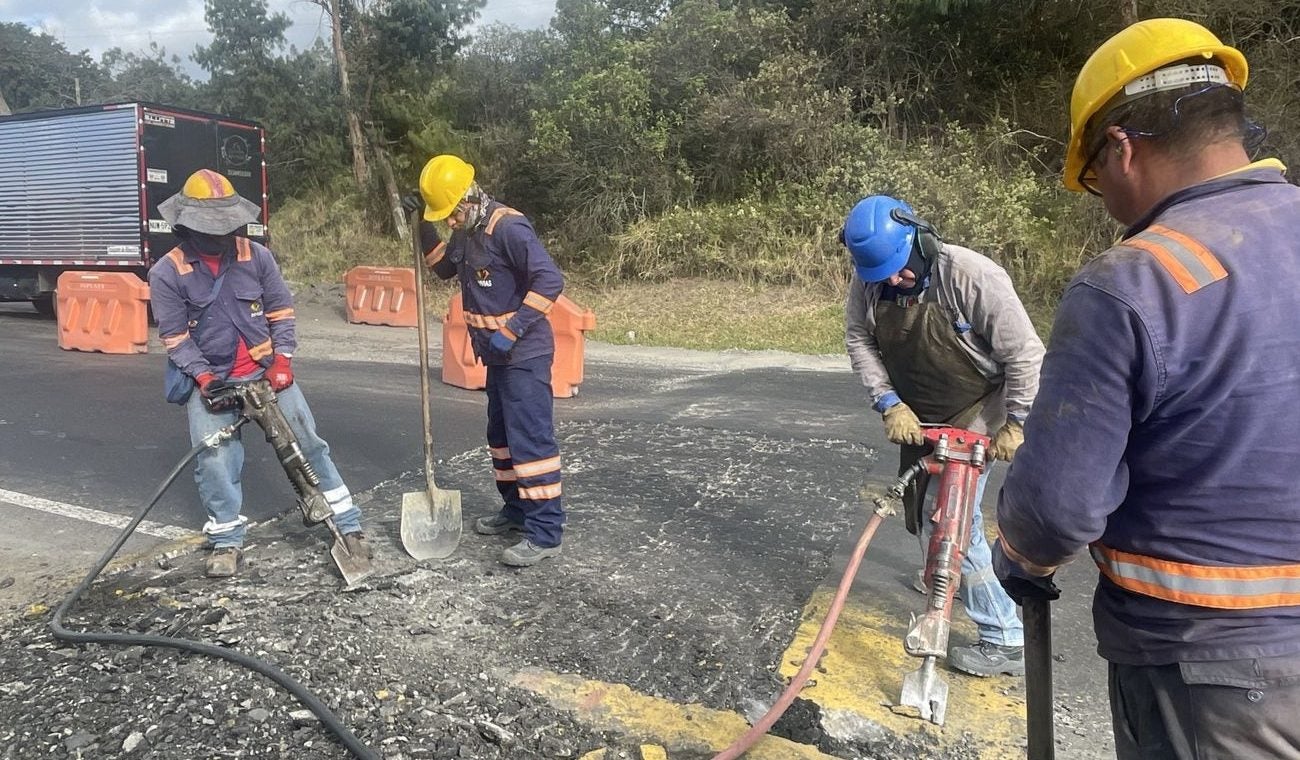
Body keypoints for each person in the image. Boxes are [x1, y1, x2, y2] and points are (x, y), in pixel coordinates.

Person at [994, 18, 1300, 759]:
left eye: (1095, 177)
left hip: (1209, 672)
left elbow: (1055, 512)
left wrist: (1016, 554)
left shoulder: (1134, 281)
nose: (1105, 199)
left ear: (1122, 148)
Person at [843, 195, 1044, 677]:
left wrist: (1016, 421)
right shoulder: (870, 281)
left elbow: (1025, 355)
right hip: (918, 413)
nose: (893, 282)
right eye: (881, 276)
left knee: (949, 520)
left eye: (901, 271)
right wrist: (889, 402)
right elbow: (859, 338)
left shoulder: (972, 276)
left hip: (977, 410)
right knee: (926, 511)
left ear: (920, 239)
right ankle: (943, 571)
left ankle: (1002, 634)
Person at [148, 169, 368, 578]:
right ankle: (227, 542)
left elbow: (282, 312)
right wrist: (204, 379)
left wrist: (282, 360)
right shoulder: (167, 272)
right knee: (215, 460)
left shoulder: (256, 256)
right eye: (210, 229)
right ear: (186, 226)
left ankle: (350, 528)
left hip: (267, 374)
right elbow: (176, 339)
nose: (221, 236)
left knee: (309, 446)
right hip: (213, 380)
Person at [406, 154, 566, 567]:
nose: (450, 223)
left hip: (524, 355)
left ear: (470, 198)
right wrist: (422, 225)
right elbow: (443, 269)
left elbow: (550, 280)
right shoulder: (468, 229)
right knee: (501, 438)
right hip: (495, 357)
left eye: (450, 214)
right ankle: (515, 511)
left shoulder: (508, 228)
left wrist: (511, 330)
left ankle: (545, 533)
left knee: (531, 442)